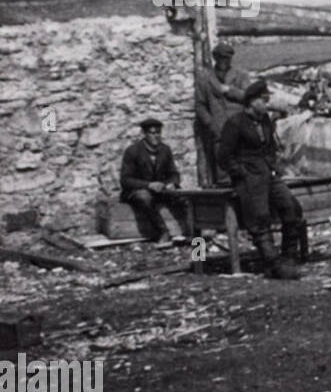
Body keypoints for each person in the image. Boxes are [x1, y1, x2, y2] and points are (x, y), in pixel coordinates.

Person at [217, 78, 305, 280]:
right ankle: (273, 265)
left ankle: (289, 257)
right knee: (260, 218)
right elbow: (223, 155)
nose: (267, 104)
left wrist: (274, 166)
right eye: (263, 101)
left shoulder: (265, 120)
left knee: (291, 208)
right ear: (252, 101)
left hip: (268, 173)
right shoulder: (235, 123)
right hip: (249, 177)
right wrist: (240, 172)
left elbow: (270, 147)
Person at [119, 118, 183, 248]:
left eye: (158, 133)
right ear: (145, 134)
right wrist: (148, 185)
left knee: (185, 198)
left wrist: (172, 183)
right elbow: (125, 180)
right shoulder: (133, 151)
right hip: (136, 191)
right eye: (152, 133)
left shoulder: (165, 150)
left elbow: (174, 173)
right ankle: (163, 232)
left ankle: (194, 235)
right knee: (145, 197)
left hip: (160, 191)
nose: (156, 136)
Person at [196, 42, 252, 185]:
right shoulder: (205, 79)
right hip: (219, 130)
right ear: (215, 59)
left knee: (243, 165)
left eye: (227, 58)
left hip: (239, 127)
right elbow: (200, 105)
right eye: (221, 58)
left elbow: (249, 97)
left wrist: (230, 90)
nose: (224, 62)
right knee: (223, 170)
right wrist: (210, 123)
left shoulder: (240, 76)